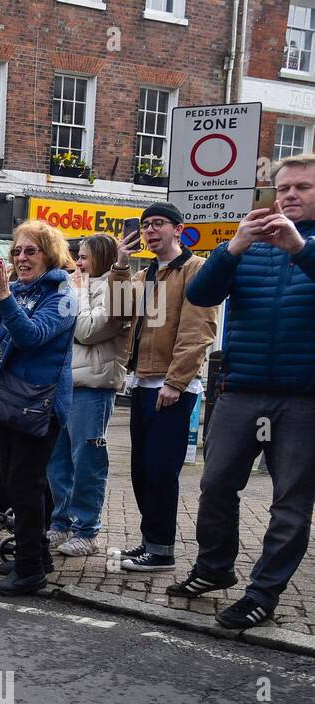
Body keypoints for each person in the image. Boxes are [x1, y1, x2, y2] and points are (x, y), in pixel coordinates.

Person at [169, 154, 315, 628]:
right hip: (241, 388)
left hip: (304, 397)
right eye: (284, 188)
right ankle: (214, 569)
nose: (290, 195)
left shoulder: (303, 245)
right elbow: (202, 295)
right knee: (214, 484)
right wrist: (232, 248)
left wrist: (299, 249)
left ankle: (263, 593)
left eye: (303, 188)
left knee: (290, 502)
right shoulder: (249, 244)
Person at [107, 202, 219, 572]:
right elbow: (120, 315)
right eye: (145, 225)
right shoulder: (145, 276)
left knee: (159, 470)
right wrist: (121, 266)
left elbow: (197, 331)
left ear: (178, 229)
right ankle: (149, 543)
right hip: (142, 382)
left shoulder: (193, 270)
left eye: (158, 224)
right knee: (141, 469)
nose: (150, 231)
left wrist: (176, 381)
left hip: (172, 387)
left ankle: (161, 550)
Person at [0, 221, 76, 596]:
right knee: (25, 483)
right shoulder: (16, 288)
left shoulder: (61, 294)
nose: (21, 258)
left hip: (40, 403)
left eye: (31, 251)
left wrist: (3, 297)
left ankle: (30, 571)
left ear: (49, 254)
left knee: (25, 484)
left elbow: (32, 337)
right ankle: (37, 556)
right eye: (17, 251)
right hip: (9, 396)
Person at [48, 233, 131, 557]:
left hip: (94, 390)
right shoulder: (71, 287)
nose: (77, 263)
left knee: (87, 463)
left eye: (83, 257)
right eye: (77, 257)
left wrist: (79, 296)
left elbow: (85, 330)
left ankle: (86, 530)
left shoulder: (119, 291)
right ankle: (60, 524)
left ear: (103, 256)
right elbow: (58, 328)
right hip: (64, 386)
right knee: (57, 462)